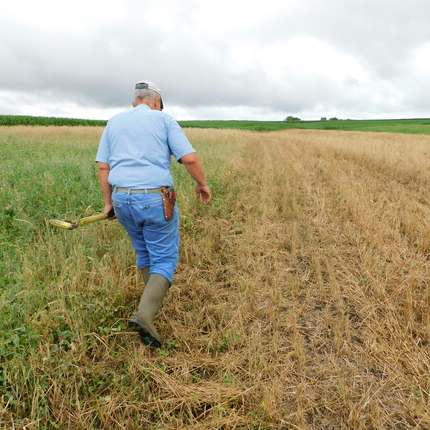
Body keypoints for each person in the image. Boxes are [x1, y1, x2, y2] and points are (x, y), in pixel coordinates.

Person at [95, 80, 211, 348]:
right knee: (165, 257)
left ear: (134, 101)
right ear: (156, 102)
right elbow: (190, 159)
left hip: (121, 197)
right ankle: (145, 314)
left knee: (144, 252)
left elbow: (104, 167)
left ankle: (151, 301)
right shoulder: (164, 120)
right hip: (155, 198)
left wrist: (108, 202)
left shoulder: (114, 121)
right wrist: (202, 185)